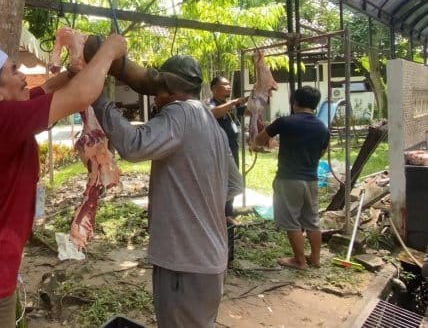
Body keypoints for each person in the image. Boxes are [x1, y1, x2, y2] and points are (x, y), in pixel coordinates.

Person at [0, 36, 127, 327]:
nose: (24, 77)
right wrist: (111, 48)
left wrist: (70, 72)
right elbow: (80, 95)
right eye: (14, 71)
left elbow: (45, 90)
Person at [91, 55, 243, 328]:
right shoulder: (211, 123)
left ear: (171, 90)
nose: (156, 100)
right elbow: (235, 186)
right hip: (211, 260)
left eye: (158, 93)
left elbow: (134, 145)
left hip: (184, 263)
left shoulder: (180, 112)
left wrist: (97, 98)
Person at [254, 86, 329, 270]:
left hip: (288, 178)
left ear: (295, 102)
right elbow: (322, 152)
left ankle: (300, 261)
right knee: (312, 221)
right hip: (311, 179)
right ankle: (316, 258)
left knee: (291, 221)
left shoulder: (285, 122)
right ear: (315, 105)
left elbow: (258, 140)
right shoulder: (322, 127)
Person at [208, 76, 247, 266]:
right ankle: (217, 252)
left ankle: (228, 255)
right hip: (218, 159)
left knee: (229, 201)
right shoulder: (211, 105)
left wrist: (258, 97)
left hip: (232, 157)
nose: (229, 87)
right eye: (225, 84)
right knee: (221, 201)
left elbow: (249, 112)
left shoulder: (230, 107)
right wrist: (233, 102)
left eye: (229, 84)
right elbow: (212, 113)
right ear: (214, 88)